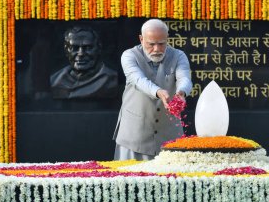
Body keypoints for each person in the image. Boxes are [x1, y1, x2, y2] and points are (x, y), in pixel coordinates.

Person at [113, 19, 193, 161]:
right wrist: (158, 92)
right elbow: (138, 80)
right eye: (151, 44)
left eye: (161, 44)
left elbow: (185, 78)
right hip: (134, 136)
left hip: (169, 135)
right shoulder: (129, 55)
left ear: (167, 39)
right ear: (141, 39)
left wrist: (181, 92)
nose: (157, 49)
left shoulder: (178, 55)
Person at [50, 26, 118, 99]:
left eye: (88, 48)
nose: (81, 53)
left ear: (99, 48)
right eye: (74, 48)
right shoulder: (55, 80)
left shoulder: (112, 80)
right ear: (67, 50)